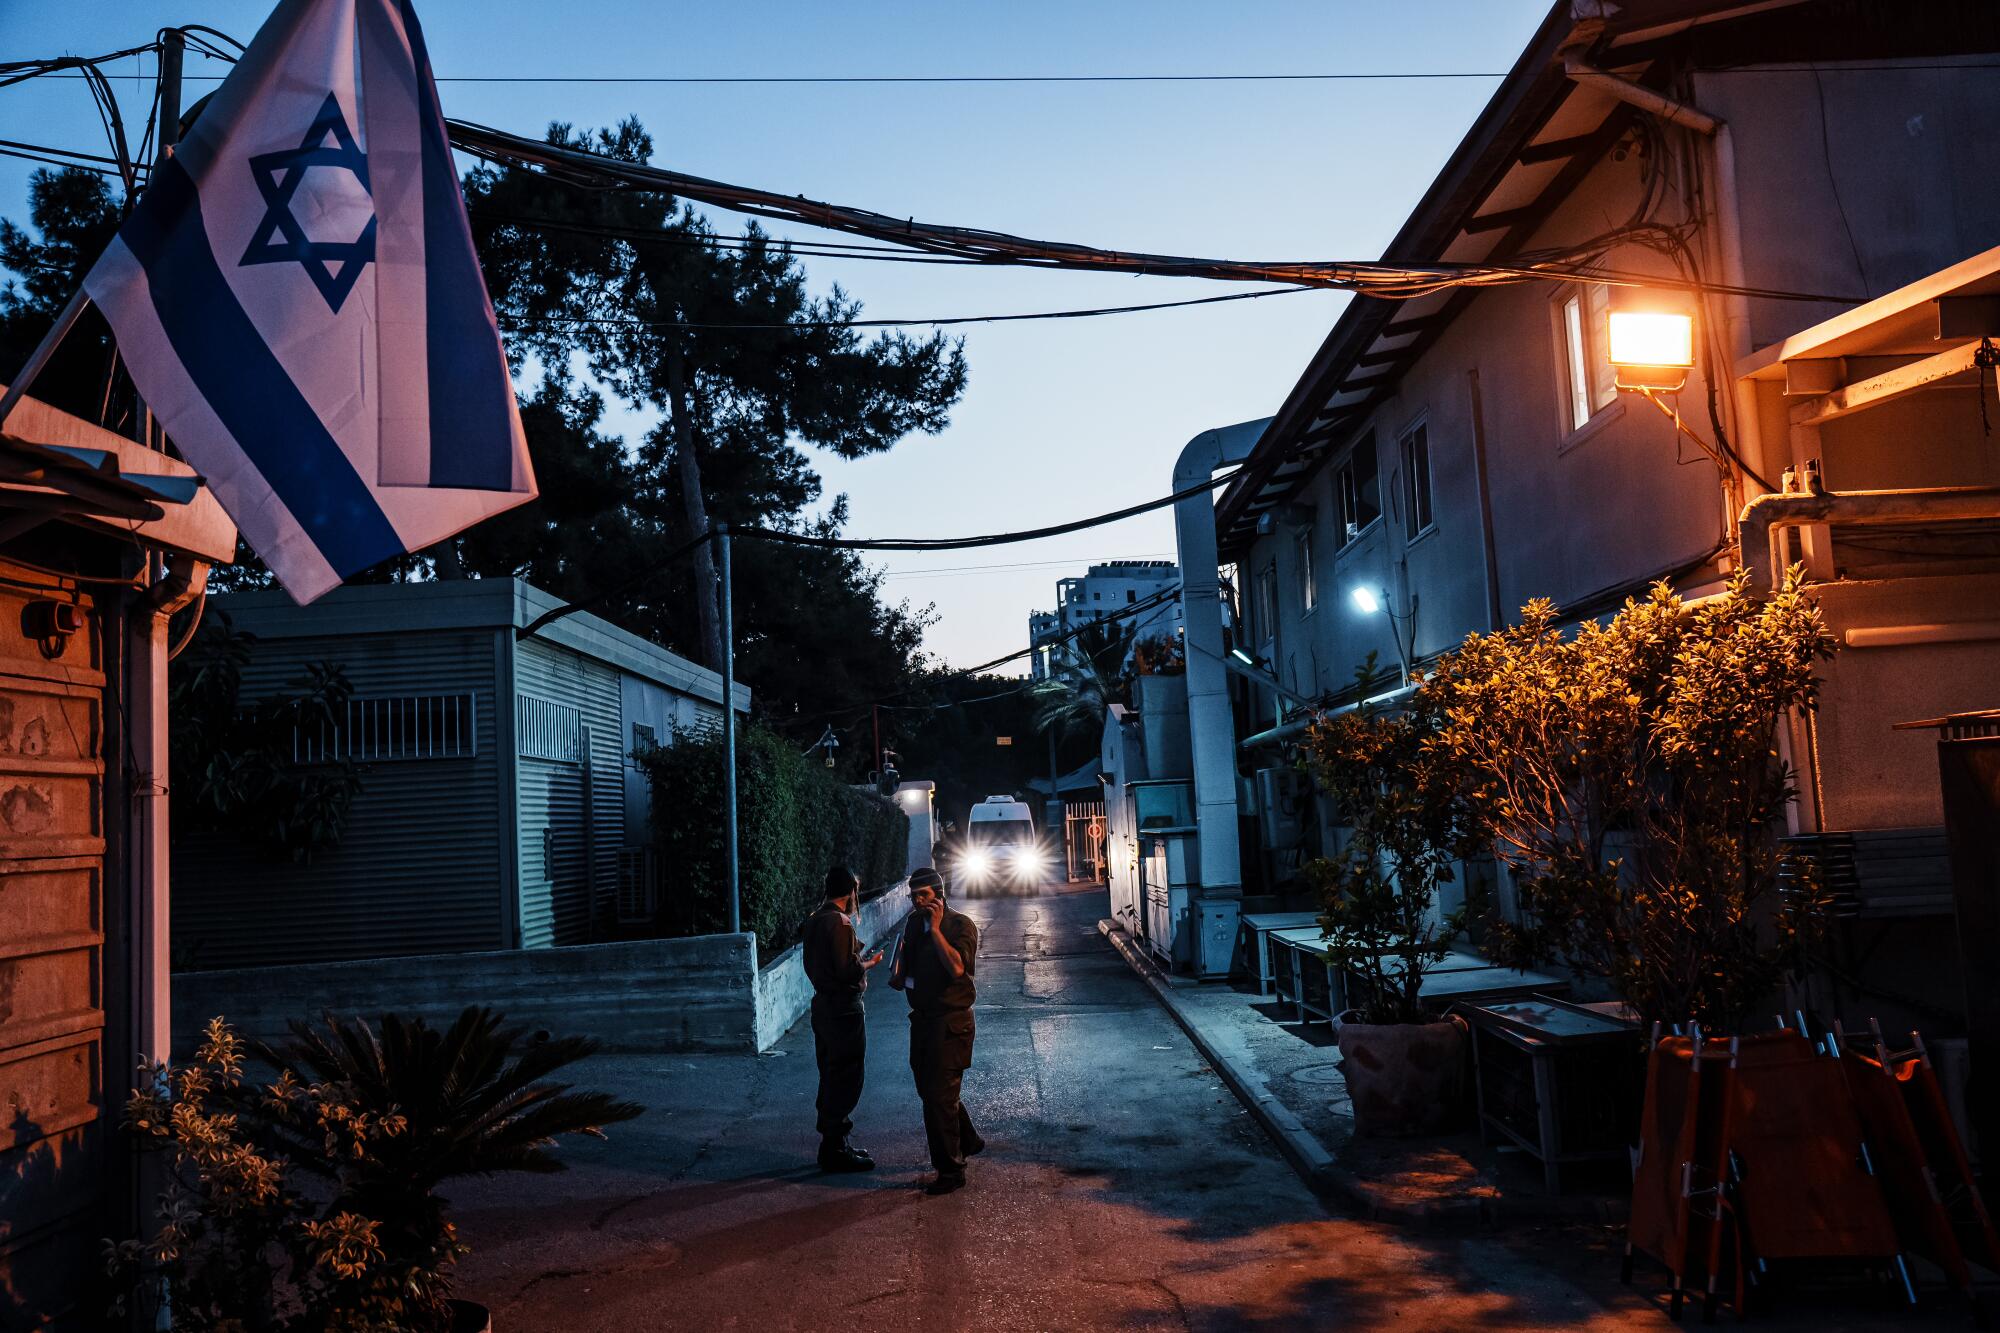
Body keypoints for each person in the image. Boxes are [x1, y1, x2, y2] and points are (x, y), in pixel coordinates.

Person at [889, 866, 984, 1195]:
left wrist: (936, 929)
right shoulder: (913, 924)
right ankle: (967, 1139)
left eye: (923, 896)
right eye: (913, 896)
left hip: (951, 1023)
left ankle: (951, 1171)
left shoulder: (961, 926)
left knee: (939, 1099)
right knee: (930, 1092)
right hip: (922, 1020)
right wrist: (899, 970)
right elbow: (903, 970)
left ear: (939, 895)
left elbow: (957, 967)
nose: (917, 902)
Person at [801, 865, 884, 1172]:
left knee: (831, 1072)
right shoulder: (839, 922)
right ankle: (835, 1147)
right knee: (847, 1075)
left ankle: (835, 1143)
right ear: (851, 891)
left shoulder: (816, 920)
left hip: (823, 1006)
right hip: (842, 1009)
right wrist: (868, 964)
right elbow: (845, 970)